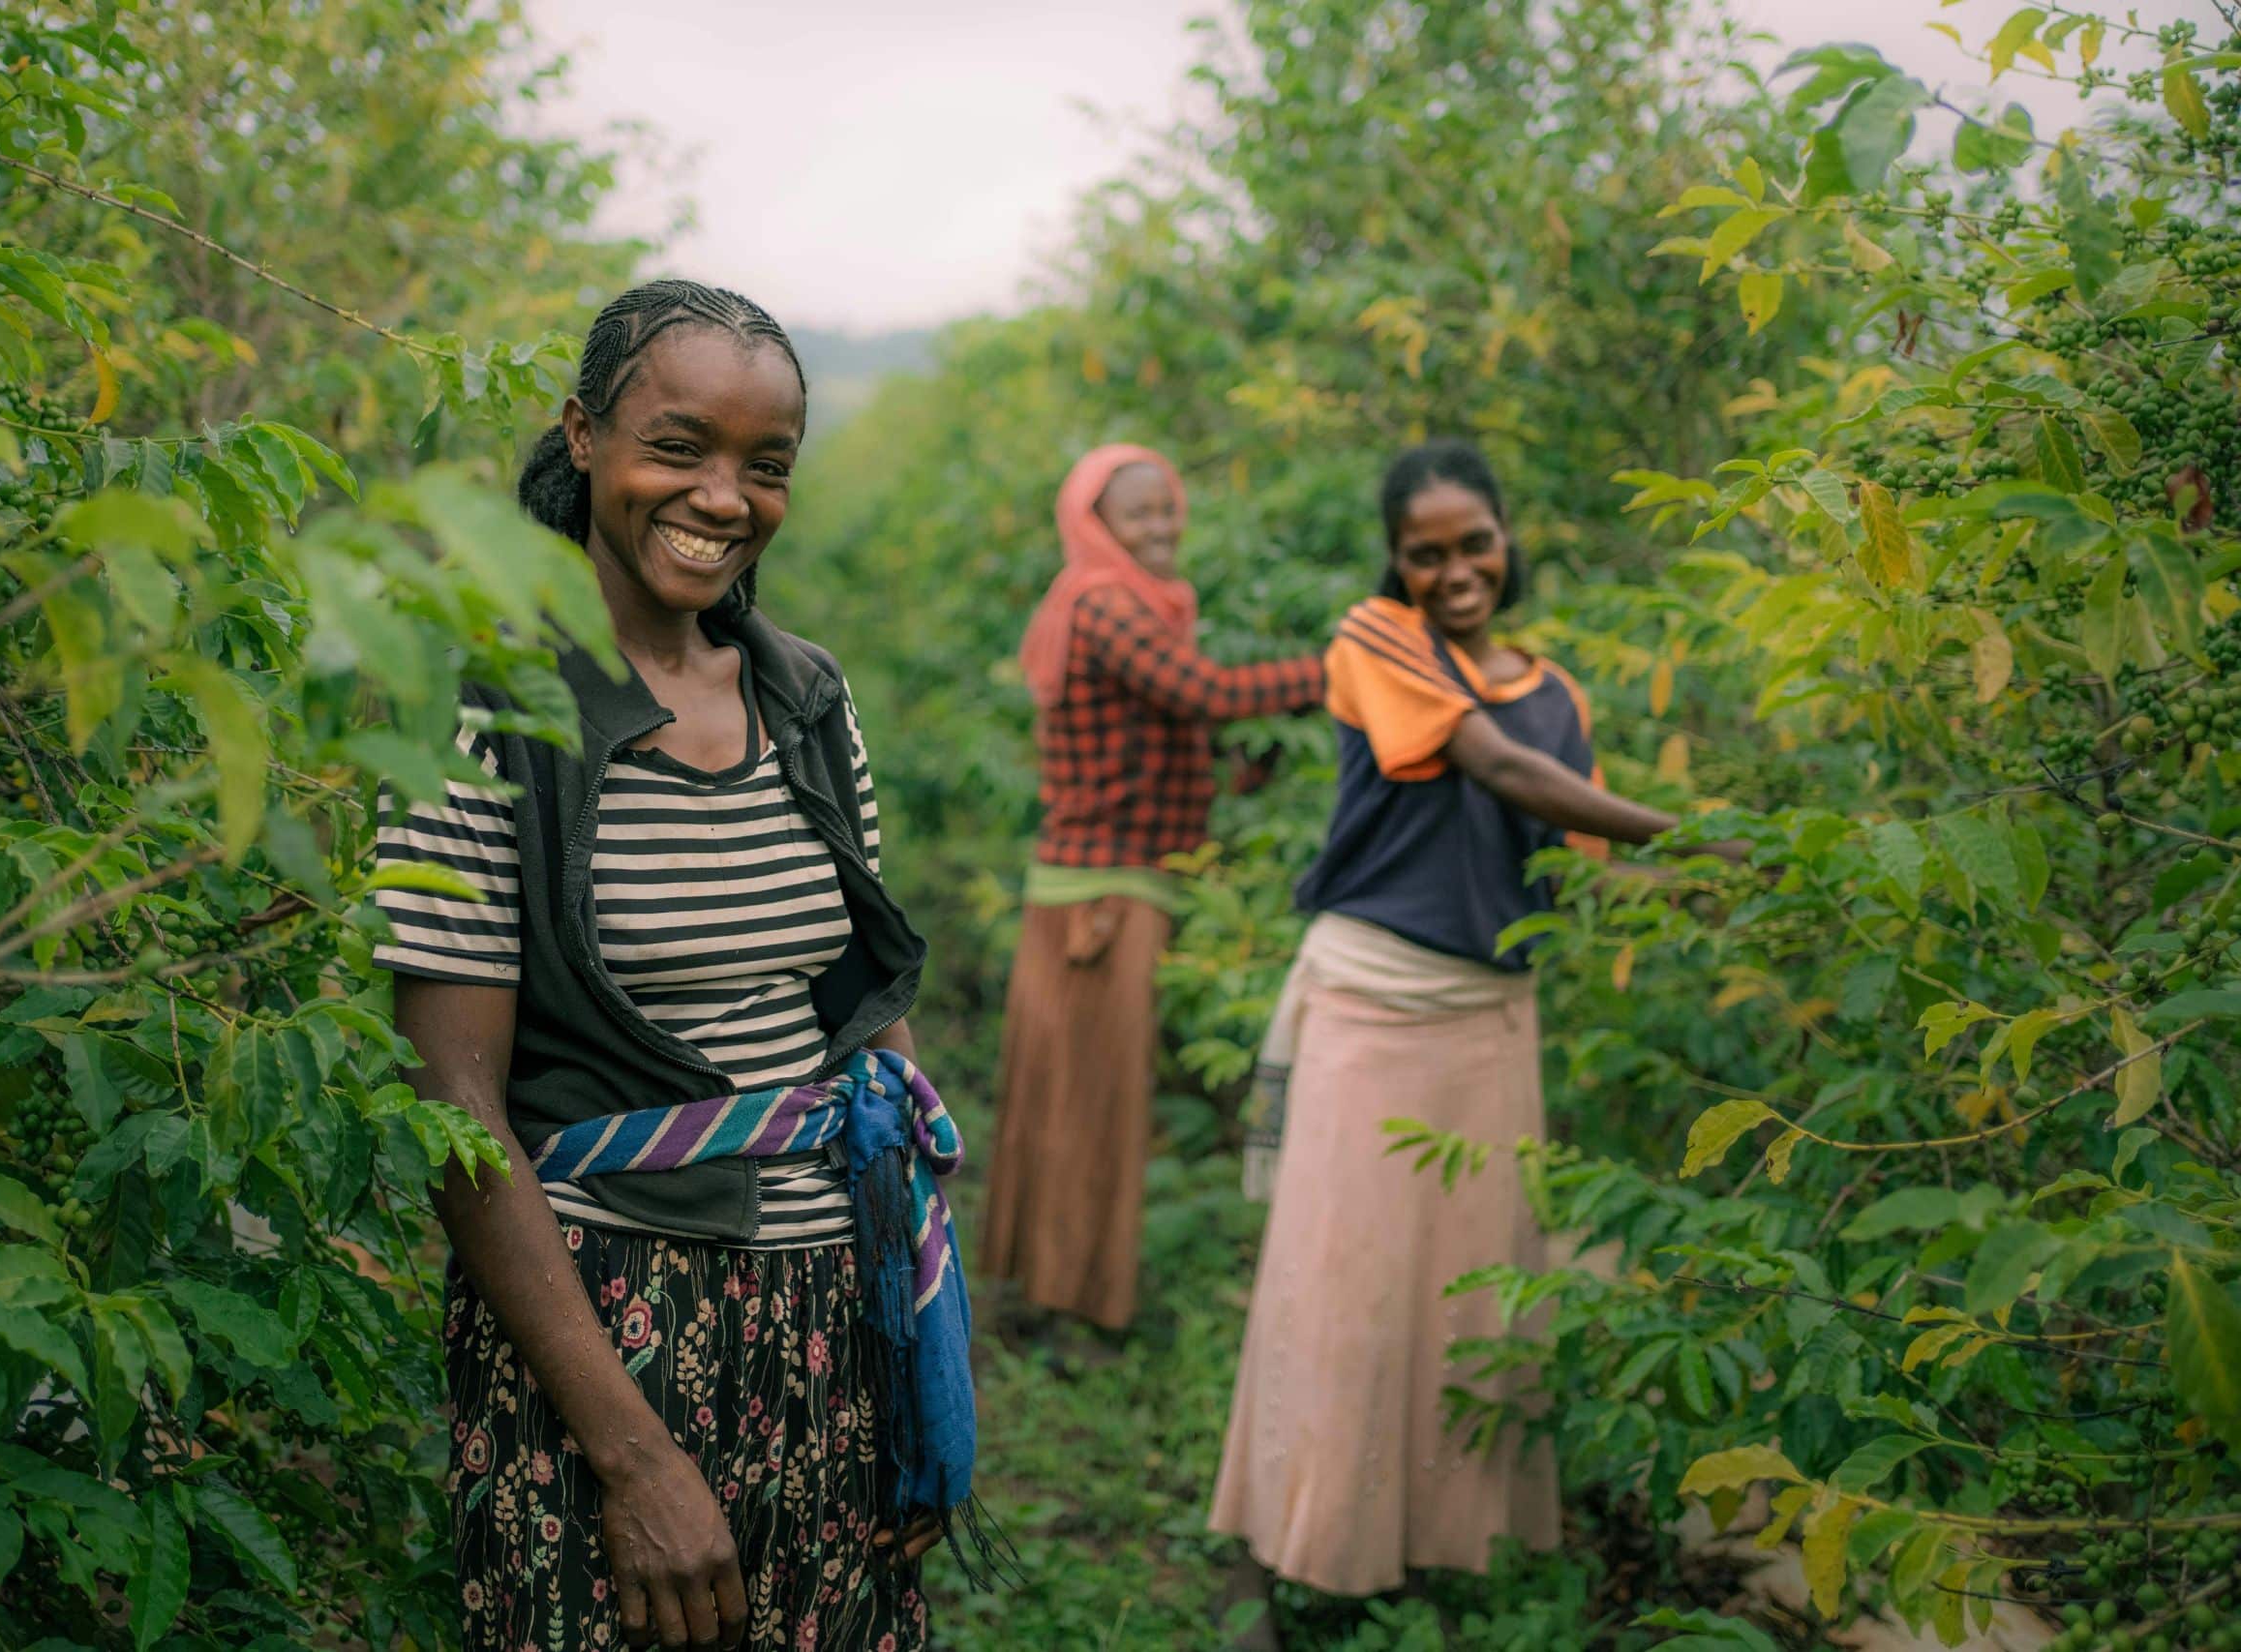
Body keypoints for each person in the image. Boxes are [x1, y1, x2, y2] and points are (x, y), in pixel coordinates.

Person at [380, 280, 976, 1652]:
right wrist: (634, 1454)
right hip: (604, 1325)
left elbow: (868, 1043)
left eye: (766, 466)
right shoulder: (481, 711)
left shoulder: (809, 700)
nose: (725, 496)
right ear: (584, 435)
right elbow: (454, 1115)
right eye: (681, 446)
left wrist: (918, 1351)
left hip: (833, 1304)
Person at [1209, 439, 1728, 1636]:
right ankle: (1296, 1552)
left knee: (1475, 1296)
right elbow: (1496, 769)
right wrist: (1693, 836)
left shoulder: (1559, 691)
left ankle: (1439, 1552)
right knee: (1340, 1290)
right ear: (1394, 563)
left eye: (1473, 543)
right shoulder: (1375, 641)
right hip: (1368, 999)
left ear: (1508, 537)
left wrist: (1739, 887)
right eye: (1424, 552)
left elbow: (1573, 863)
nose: (1454, 571)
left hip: (1494, 1017)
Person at [980, 444, 1328, 1334]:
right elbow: (1201, 693)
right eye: (1138, 513)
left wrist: (1255, 757)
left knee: (1086, 1096)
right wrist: (1337, 671)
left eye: (1167, 507)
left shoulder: (1146, 608)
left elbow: (1180, 734)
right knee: (1089, 1103)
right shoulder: (1102, 605)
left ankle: (1054, 1291)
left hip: (1119, 884)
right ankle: (1067, 1308)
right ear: (1095, 526)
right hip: (1098, 895)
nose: (1160, 525)